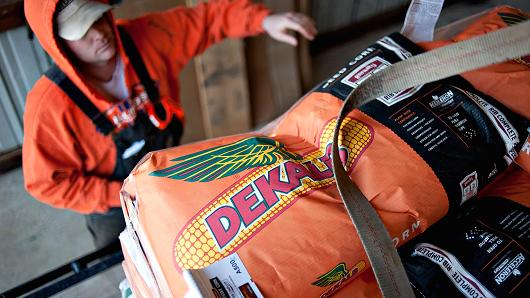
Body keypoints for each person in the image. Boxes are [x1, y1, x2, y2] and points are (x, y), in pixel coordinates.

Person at [22, 0, 317, 249]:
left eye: (98, 18)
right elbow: (47, 184)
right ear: (58, 43)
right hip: (114, 207)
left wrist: (264, 21)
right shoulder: (49, 108)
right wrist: (121, 195)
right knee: (130, 264)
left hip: (170, 175)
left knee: (187, 245)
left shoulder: (148, 38)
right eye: (82, 30)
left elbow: (206, 20)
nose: (99, 33)